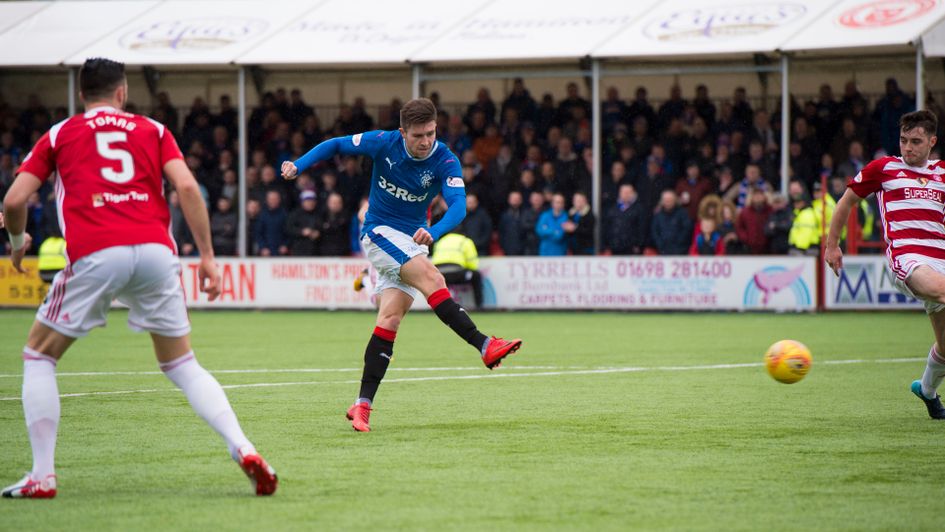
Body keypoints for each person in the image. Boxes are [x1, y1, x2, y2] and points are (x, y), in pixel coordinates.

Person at [1, 58, 277, 498]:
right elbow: (188, 188)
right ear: (122, 92)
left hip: (97, 250)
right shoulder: (153, 130)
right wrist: (207, 257)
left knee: (39, 357)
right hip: (155, 251)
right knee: (183, 364)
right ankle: (243, 447)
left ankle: (41, 475)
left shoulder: (60, 133)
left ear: (80, 95)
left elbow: (15, 198)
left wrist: (17, 242)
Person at [282, 98, 522, 432]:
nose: (426, 141)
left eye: (431, 133)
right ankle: (484, 344)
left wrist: (433, 231)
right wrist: (300, 163)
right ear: (402, 132)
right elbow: (336, 144)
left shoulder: (445, 159)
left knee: (390, 320)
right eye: (418, 135)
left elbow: (458, 208)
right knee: (432, 277)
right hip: (378, 232)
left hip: (410, 242)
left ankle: (362, 405)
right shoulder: (384, 142)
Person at [826, 109, 945, 420]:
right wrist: (832, 245)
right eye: (904, 140)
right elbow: (846, 202)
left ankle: (928, 391)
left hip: (940, 260)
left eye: (916, 142)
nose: (908, 147)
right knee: (941, 290)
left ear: (932, 141)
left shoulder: (943, 173)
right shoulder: (884, 169)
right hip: (907, 258)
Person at [431, 227, 483, 308]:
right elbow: (473, 264)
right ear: (463, 233)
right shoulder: (465, 241)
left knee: (441, 286)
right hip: (457, 273)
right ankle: (479, 306)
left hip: (440, 274)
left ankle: (438, 307)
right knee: (476, 275)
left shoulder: (440, 241)